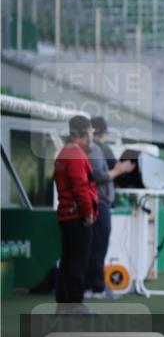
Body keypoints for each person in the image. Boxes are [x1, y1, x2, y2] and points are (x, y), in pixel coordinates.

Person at [53, 116, 99, 310]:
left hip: (66, 215)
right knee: (78, 263)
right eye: (90, 131)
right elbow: (80, 187)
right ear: (83, 132)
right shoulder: (77, 154)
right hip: (77, 216)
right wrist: (88, 213)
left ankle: (64, 306)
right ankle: (74, 306)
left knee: (68, 261)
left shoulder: (64, 152)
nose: (92, 134)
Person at [85, 116, 135, 298]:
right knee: (98, 245)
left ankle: (93, 286)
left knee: (96, 245)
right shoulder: (95, 149)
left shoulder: (97, 149)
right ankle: (96, 288)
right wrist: (120, 170)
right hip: (98, 202)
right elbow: (99, 175)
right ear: (103, 132)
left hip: (97, 202)